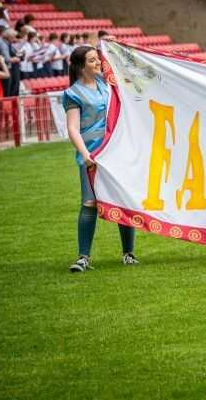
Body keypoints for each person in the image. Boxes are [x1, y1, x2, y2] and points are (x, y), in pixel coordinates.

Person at [63, 45, 138, 272]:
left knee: (122, 201)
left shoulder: (106, 86)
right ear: (80, 66)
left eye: (98, 59)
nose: (98, 63)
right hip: (93, 156)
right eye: (93, 60)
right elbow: (73, 128)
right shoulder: (72, 94)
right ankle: (83, 257)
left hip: (115, 152)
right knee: (89, 203)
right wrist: (85, 155)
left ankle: (128, 253)